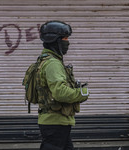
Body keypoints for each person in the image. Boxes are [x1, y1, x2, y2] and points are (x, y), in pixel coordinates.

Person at [37, 20, 89, 150]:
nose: (68, 42)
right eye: (65, 38)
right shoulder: (53, 64)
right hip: (55, 123)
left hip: (58, 122)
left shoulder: (48, 60)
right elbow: (60, 92)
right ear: (56, 41)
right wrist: (82, 93)